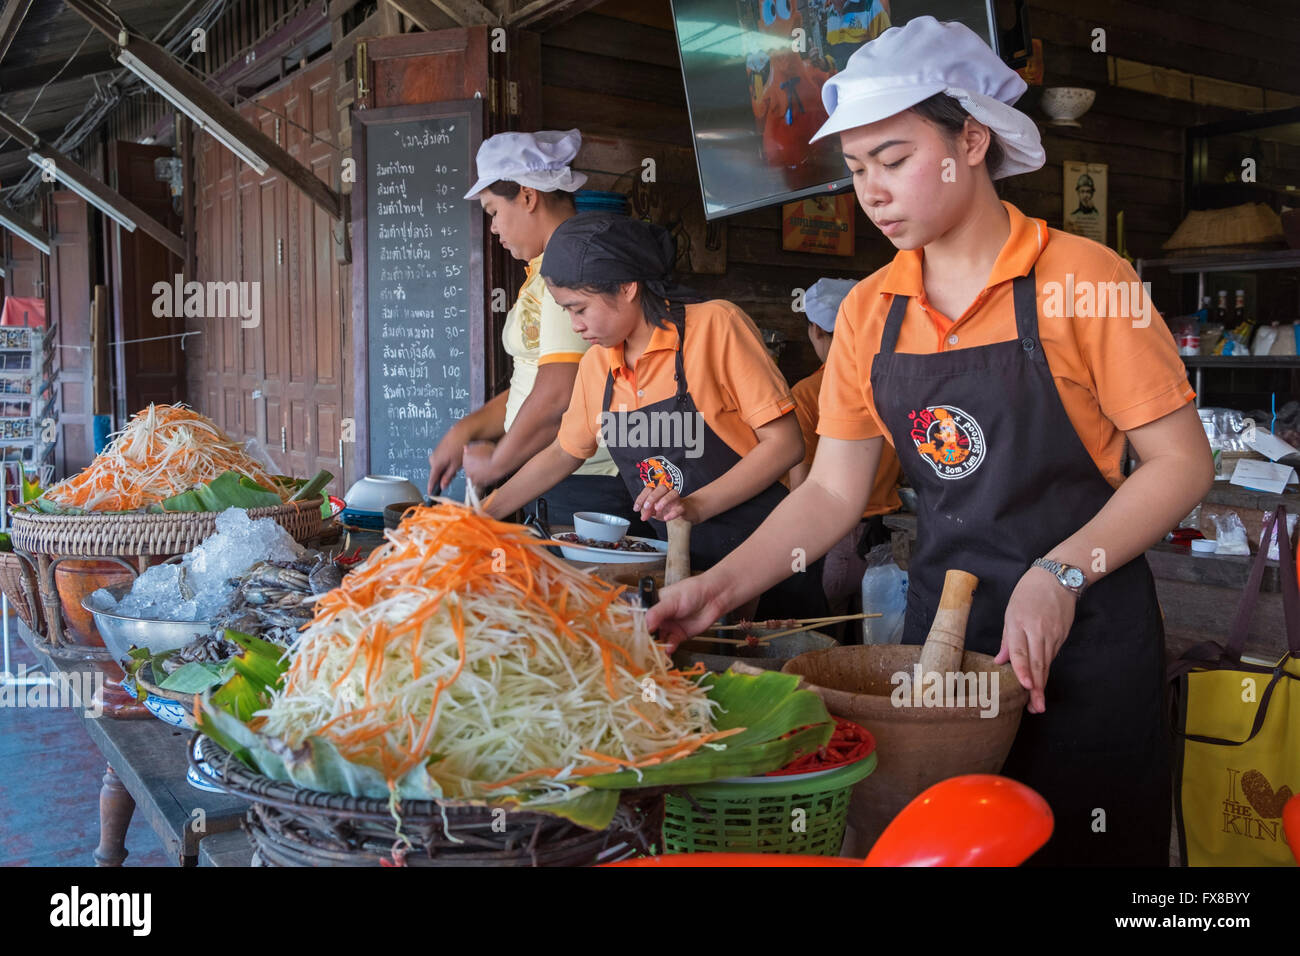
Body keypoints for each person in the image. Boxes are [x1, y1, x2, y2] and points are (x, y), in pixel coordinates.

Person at [648, 16, 1213, 866]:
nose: (871, 191)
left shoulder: (1085, 279)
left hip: (1086, 637)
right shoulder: (871, 311)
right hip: (939, 652)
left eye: (896, 159)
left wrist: (1060, 573)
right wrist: (720, 589)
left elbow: (1181, 464)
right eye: (857, 169)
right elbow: (833, 492)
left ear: (973, 141)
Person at [484, 213, 827, 621]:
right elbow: (563, 452)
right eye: (566, 312)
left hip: (769, 555)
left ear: (628, 287)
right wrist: (482, 514)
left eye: (580, 309)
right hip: (684, 565)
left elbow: (786, 445)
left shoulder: (715, 327)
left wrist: (695, 506)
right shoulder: (597, 365)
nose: (576, 327)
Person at [427, 129, 634, 529]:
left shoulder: (571, 271)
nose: (493, 228)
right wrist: (465, 430)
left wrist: (497, 464)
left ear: (527, 195)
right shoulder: (546, 271)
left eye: (492, 212)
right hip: (558, 477)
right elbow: (535, 384)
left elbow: (558, 395)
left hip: (587, 485)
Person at [790, 277, 902, 619]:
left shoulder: (807, 394)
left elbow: (800, 487)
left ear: (816, 331)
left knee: (825, 642)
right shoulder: (892, 386)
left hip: (832, 539)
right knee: (878, 643)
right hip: (888, 539)